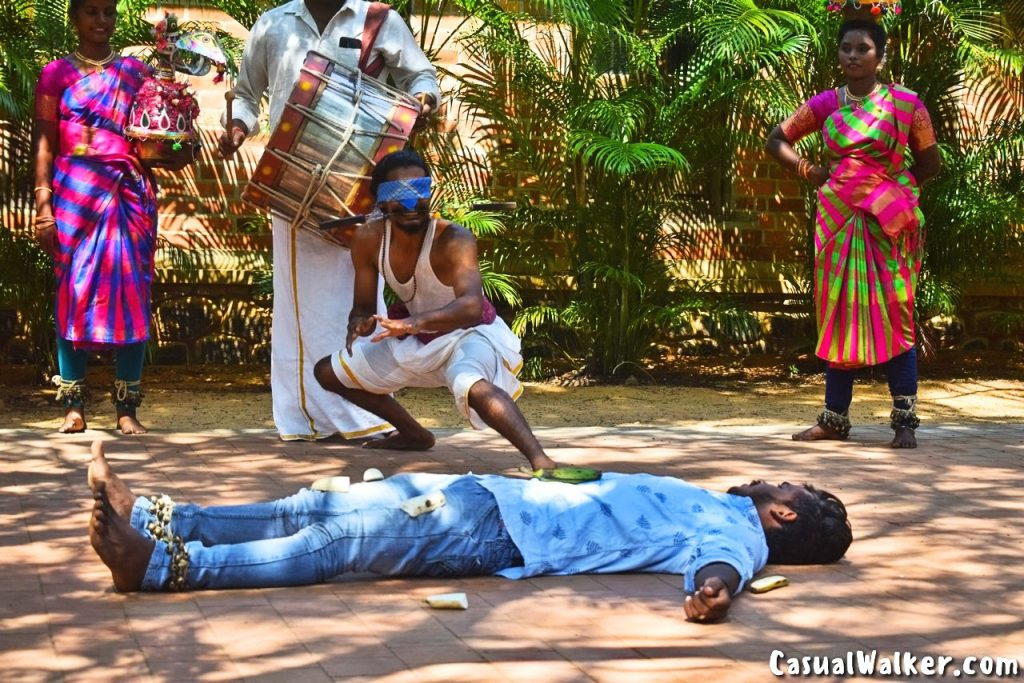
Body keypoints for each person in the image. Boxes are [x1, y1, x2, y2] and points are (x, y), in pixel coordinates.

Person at [85, 440, 852, 622]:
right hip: (493, 495)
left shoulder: (741, 535)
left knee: (338, 545)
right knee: (309, 509)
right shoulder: (717, 501)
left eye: (791, 486)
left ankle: (160, 568)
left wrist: (714, 591)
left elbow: (722, 567)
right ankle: (161, 517)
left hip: (498, 531)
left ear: (785, 514)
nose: (777, 479)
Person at [218, 0, 441, 442]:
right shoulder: (274, 24)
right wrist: (238, 128)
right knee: (298, 309)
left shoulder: (377, 20)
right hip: (291, 185)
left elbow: (422, 77)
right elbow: (245, 95)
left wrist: (420, 102)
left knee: (360, 301)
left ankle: (364, 412)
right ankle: (306, 417)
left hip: (358, 187)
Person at [311, 150, 557, 471]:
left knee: (470, 383)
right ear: (382, 203)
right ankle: (414, 434)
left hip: (469, 334)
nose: (412, 204)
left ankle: (541, 460)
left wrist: (412, 324)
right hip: (416, 339)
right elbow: (363, 308)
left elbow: (471, 308)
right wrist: (359, 322)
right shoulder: (369, 239)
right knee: (328, 372)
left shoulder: (454, 238)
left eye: (419, 191)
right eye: (399, 195)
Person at [765, 19, 941, 449]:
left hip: (887, 224)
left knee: (896, 312)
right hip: (838, 221)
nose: (853, 55)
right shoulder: (826, 103)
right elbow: (776, 139)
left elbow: (930, 162)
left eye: (863, 48)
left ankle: (904, 421)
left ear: (881, 55)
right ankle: (834, 419)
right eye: (846, 47)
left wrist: (893, 193)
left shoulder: (906, 105)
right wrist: (809, 170)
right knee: (839, 312)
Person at [33, 0, 168, 435]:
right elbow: (44, 142)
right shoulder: (55, 74)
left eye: (109, 12)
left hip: (127, 193)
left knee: (132, 292)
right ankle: (73, 406)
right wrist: (42, 203)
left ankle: (127, 409)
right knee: (72, 291)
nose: (102, 21)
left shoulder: (136, 73)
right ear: (74, 18)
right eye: (92, 12)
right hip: (74, 195)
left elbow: (157, 132)